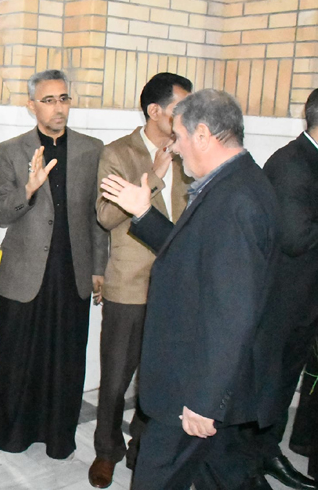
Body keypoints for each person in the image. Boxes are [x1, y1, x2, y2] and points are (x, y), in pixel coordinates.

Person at [100, 89, 280, 490]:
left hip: (194, 388)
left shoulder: (237, 201)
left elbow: (232, 312)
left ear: (203, 135)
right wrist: (144, 213)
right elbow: (192, 256)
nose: (175, 148)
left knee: (156, 479)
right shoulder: (234, 183)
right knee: (226, 475)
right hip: (209, 380)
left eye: (179, 136)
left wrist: (204, 401)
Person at [0, 69, 108, 459]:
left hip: (72, 272)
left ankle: (59, 439)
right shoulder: (12, 149)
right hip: (24, 273)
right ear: (31, 105)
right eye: (49, 100)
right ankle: (12, 435)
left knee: (66, 362)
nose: (59, 108)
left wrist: (99, 268)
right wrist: (29, 188)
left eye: (64, 99)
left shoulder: (92, 149)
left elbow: (97, 216)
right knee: (17, 359)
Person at [88, 73, 192, 487]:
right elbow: (106, 216)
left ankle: (142, 446)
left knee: (159, 378)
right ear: (154, 111)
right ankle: (106, 451)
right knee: (115, 378)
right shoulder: (118, 153)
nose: (187, 116)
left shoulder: (189, 150)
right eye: (179, 109)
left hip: (176, 286)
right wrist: (154, 175)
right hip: (130, 284)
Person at [253, 87, 318, 489]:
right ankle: (253, 460)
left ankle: (267, 452)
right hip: (283, 303)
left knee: (282, 385)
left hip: (303, 302)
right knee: (269, 388)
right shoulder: (293, 163)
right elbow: (295, 237)